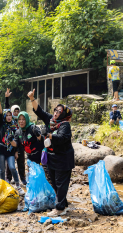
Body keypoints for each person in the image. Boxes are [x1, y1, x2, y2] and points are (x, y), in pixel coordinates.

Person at [27, 89, 74, 217]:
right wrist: (32, 98)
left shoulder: (64, 125)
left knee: (60, 182)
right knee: (53, 181)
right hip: (52, 157)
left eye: (59, 111)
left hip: (63, 159)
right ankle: (63, 204)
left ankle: (59, 208)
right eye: (55, 110)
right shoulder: (51, 121)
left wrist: (48, 135)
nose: (56, 113)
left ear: (64, 114)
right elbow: (40, 111)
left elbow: (63, 138)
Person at [0, 90, 25, 195]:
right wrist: (0, 101)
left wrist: (16, 151)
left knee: (12, 167)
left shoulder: (14, 126)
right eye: (7, 115)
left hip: (10, 150)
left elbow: (16, 142)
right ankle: (4, 187)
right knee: (2, 170)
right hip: (1, 150)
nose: (8, 116)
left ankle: (18, 186)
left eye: (10, 115)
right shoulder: (1, 124)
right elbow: (0, 112)